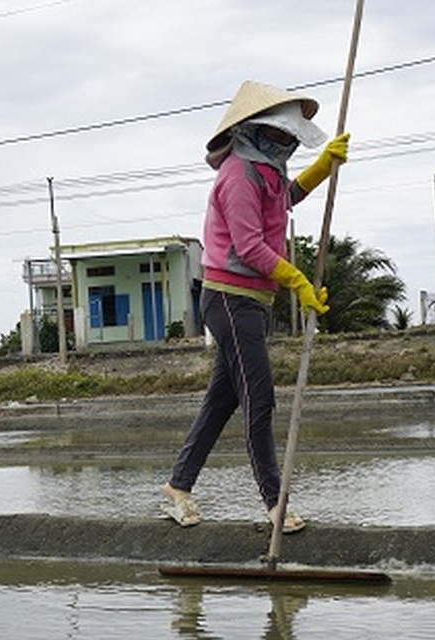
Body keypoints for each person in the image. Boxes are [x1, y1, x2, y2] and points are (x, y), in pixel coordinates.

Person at [163, 80, 349, 531]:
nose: (289, 141)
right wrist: (298, 280)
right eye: (283, 134)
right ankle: (275, 503)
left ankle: (178, 487)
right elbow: (248, 247)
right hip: (230, 299)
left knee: (221, 401)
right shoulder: (238, 175)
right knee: (258, 399)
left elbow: (284, 200)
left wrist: (324, 167)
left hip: (252, 302)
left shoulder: (265, 172)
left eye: (293, 137)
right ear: (258, 130)